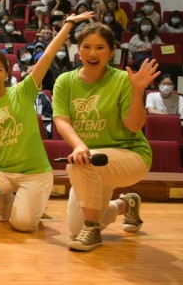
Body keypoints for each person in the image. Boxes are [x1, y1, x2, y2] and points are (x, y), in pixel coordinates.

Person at [0, 12, 92, 233]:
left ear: (5, 72)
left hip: (35, 173)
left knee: (22, 225)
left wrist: (68, 25)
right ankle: (5, 201)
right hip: (1, 173)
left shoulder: (23, 91)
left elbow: (47, 56)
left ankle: (22, 203)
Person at [53, 22, 157, 252]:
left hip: (130, 155)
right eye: (86, 46)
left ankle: (92, 229)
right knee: (73, 228)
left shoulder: (122, 79)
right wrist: (79, 144)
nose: (92, 53)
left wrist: (138, 90)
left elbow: (134, 125)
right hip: (91, 160)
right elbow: (61, 120)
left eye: (100, 47)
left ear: (112, 52)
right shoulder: (65, 81)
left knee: (81, 164)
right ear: (77, 50)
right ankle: (125, 204)